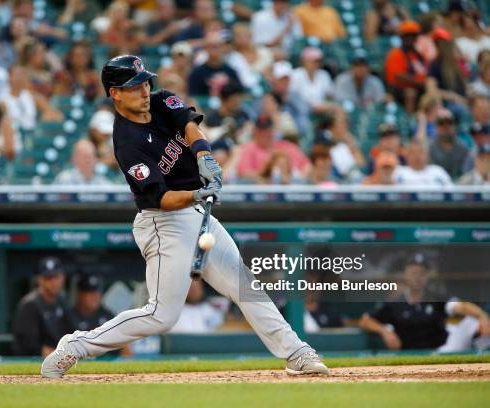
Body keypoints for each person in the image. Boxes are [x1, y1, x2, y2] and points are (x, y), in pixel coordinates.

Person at [40, 55, 328, 378]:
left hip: (196, 212)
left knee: (244, 284)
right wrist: (195, 194)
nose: (144, 89)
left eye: (145, 82)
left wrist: (204, 155)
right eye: (134, 86)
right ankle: (74, 347)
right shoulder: (127, 143)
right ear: (115, 94)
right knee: (161, 316)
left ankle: (296, 353)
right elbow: (161, 199)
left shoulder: (161, 100)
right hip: (164, 224)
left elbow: (189, 124)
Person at [359, 253, 490, 351]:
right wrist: (385, 331)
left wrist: (483, 316)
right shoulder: (395, 303)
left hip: (440, 351)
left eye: (422, 273)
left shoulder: (436, 297)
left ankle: (482, 356)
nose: (418, 277)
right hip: (408, 356)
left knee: (471, 321)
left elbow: (462, 307)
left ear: (427, 276)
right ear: (405, 274)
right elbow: (365, 320)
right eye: (414, 272)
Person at [12, 257, 74, 357]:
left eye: (56, 277)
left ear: (62, 277)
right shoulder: (30, 304)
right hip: (32, 360)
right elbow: (29, 344)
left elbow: (71, 332)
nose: (53, 282)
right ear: (39, 280)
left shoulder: (63, 301)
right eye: (48, 278)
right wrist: (59, 355)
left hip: (59, 357)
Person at [237, 115, 310, 182]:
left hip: (291, 190)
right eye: (260, 130)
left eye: (267, 130)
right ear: (255, 131)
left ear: (273, 130)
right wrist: (269, 177)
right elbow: (244, 172)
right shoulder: (248, 148)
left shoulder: (288, 147)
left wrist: (294, 179)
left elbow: (307, 166)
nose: (263, 134)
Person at [384, 21, 428, 112]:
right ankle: (409, 120)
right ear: (402, 37)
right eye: (407, 35)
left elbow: (425, 72)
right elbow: (399, 75)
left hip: (419, 87)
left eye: (413, 35)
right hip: (398, 89)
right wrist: (419, 82)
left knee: (434, 92)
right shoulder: (395, 53)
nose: (410, 38)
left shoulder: (419, 55)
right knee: (410, 93)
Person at [226, 23, 274, 90]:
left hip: (268, 86)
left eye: (245, 35)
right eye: (238, 36)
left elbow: (271, 71)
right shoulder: (233, 57)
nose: (242, 39)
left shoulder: (263, 51)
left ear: (251, 36)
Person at [289, 47, 336, 115]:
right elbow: (294, 98)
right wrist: (313, 107)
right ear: (304, 61)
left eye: (318, 61)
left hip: (323, 110)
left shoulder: (323, 75)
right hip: (300, 110)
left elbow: (330, 95)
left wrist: (328, 106)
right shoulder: (296, 75)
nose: (316, 63)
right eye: (312, 61)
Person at [428, 110, 473, 179]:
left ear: (454, 125)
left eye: (449, 123)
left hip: (458, 187)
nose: (445, 126)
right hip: (435, 186)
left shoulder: (463, 148)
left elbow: (466, 173)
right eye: (441, 123)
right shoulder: (429, 148)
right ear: (436, 126)